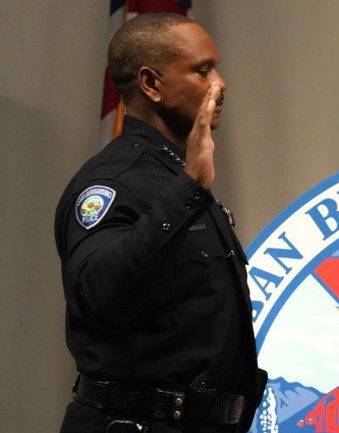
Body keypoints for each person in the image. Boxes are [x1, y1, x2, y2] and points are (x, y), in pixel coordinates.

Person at [55, 13, 266, 433]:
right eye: (202, 70)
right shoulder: (113, 181)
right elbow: (98, 295)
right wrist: (188, 188)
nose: (220, 84)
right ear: (151, 83)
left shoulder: (175, 176)